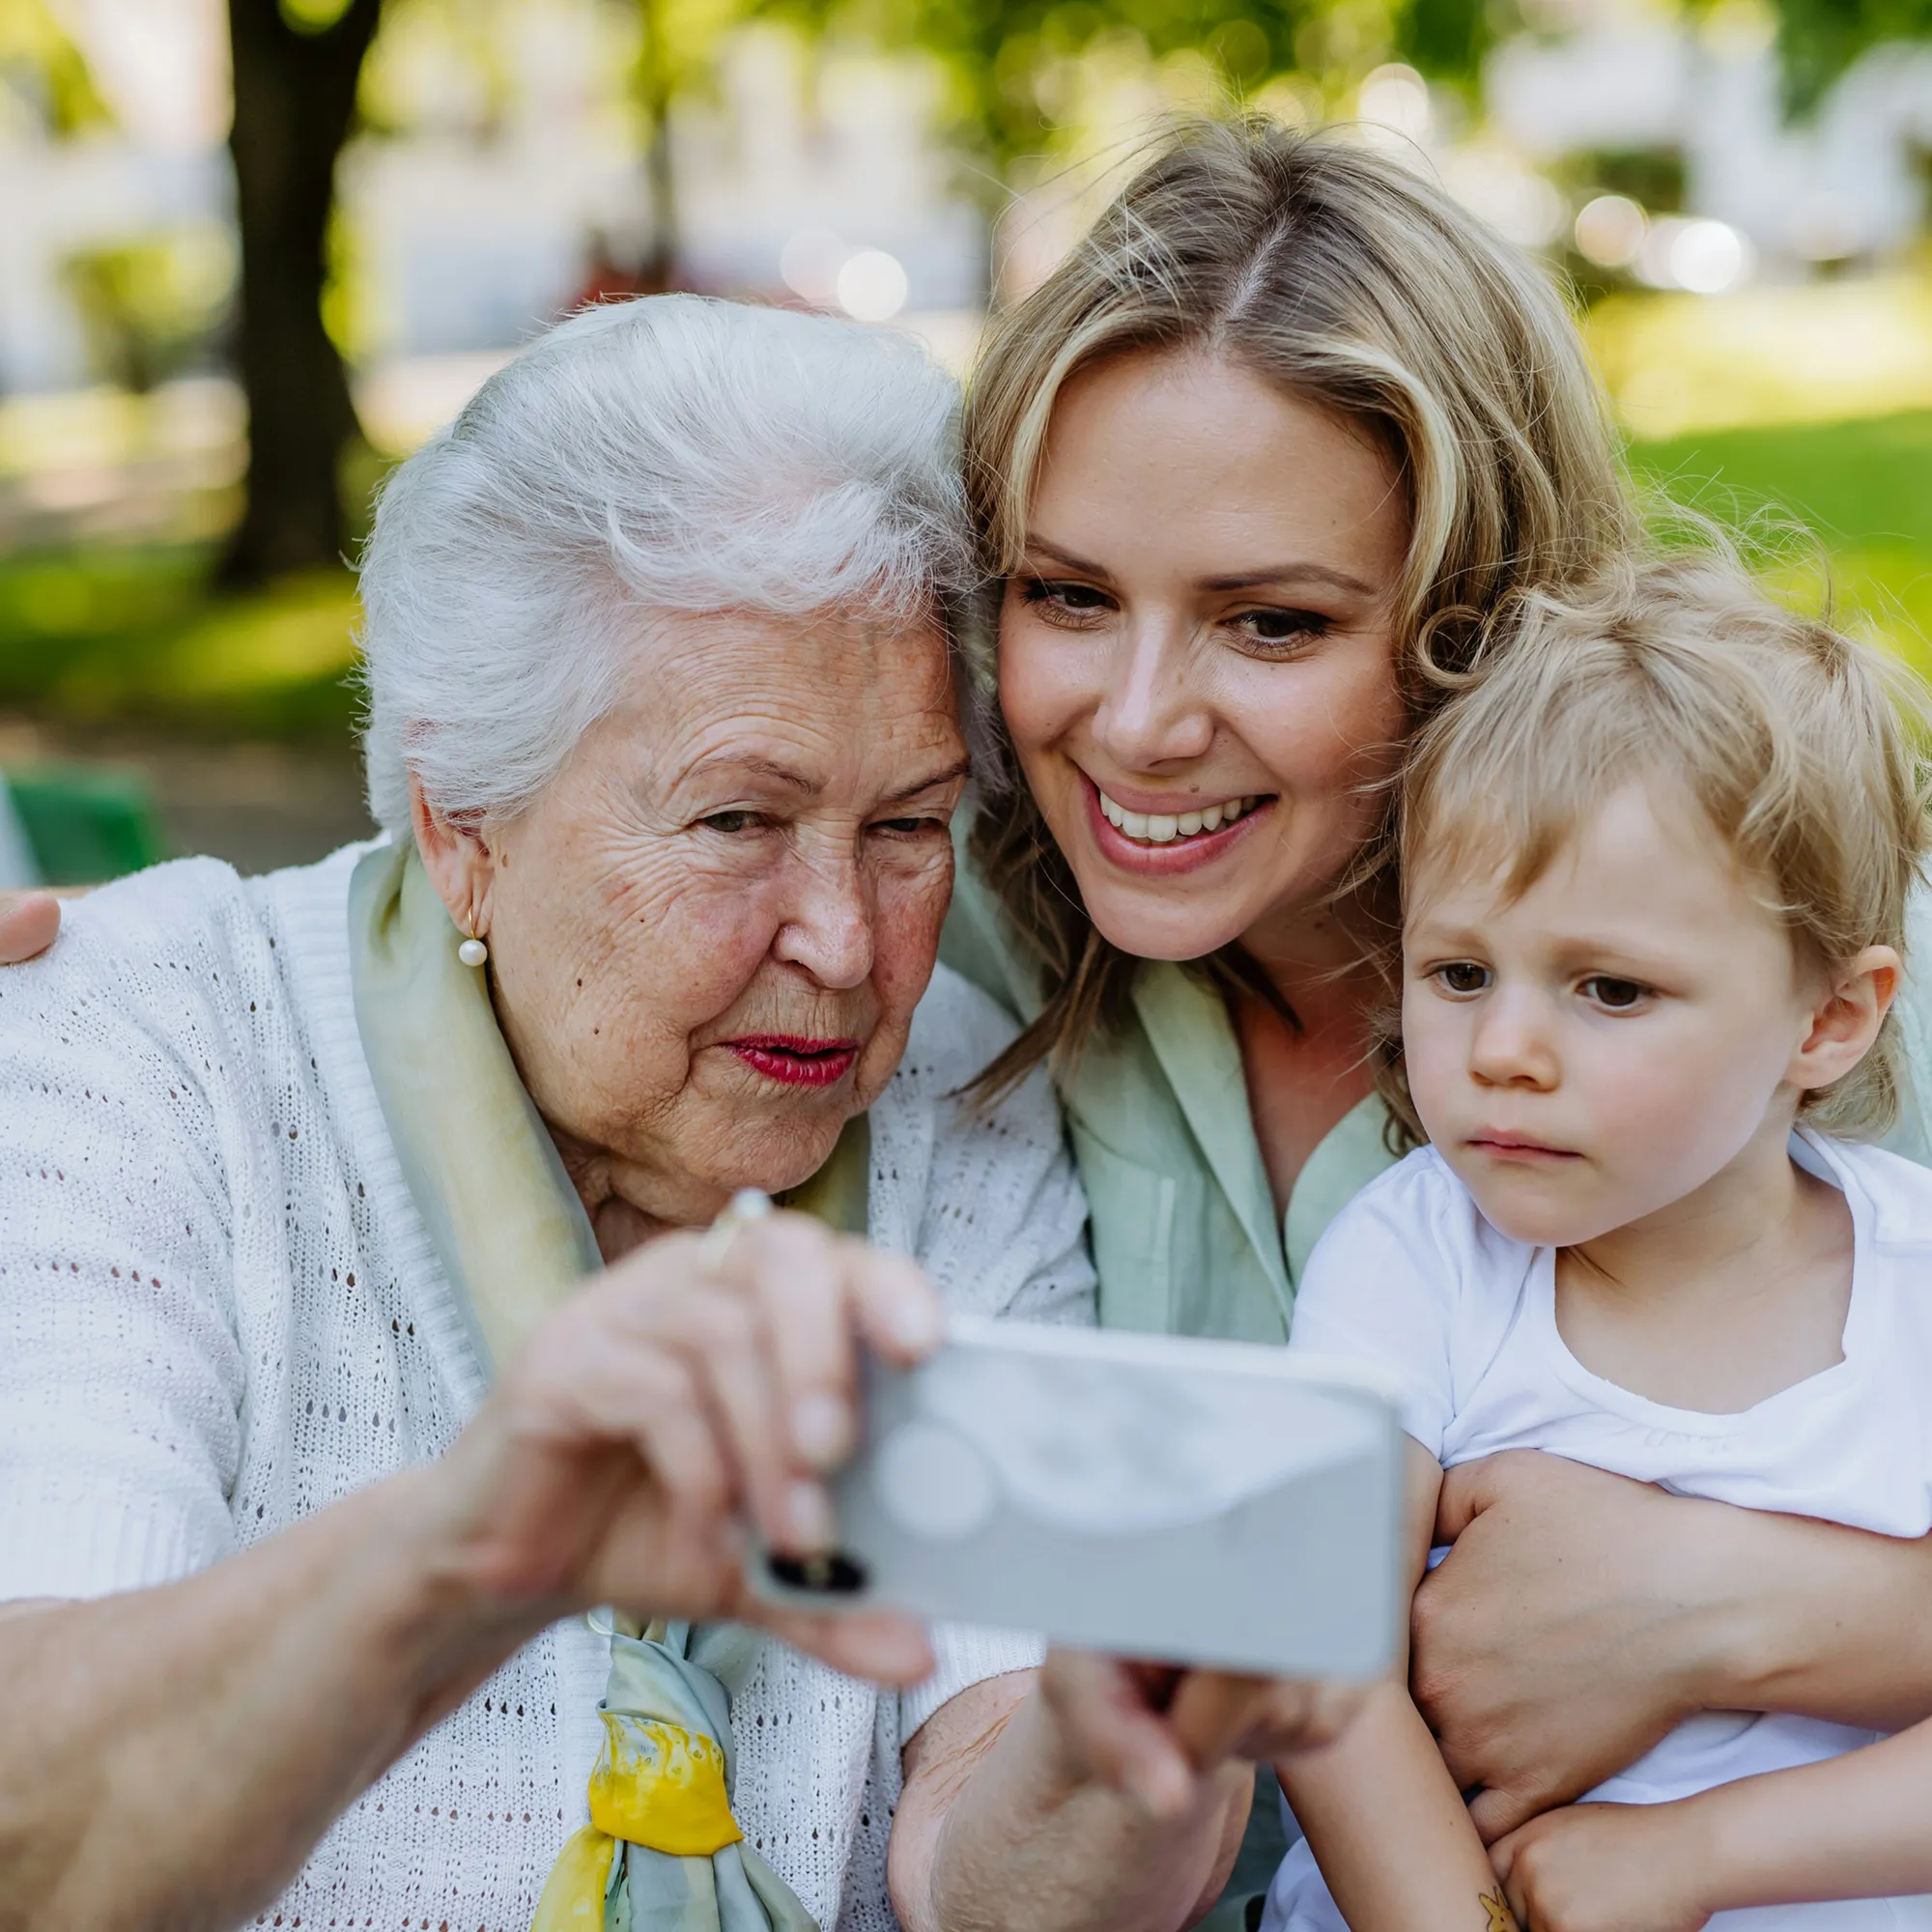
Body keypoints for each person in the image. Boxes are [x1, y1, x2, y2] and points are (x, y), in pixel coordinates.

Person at [0, 295, 1353, 1932]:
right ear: (460, 822)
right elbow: (41, 1837)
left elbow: (989, 1867)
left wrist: (1113, 1751)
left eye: (911, 825)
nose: (847, 945)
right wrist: (469, 1554)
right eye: (737, 819)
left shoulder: (948, 1102)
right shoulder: (139, 1048)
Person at [936, 116, 1932, 1919]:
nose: (1139, 720)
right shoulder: (960, 982)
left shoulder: (1831, 962)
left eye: (1271, 624)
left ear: (1474, 620)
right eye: (1068, 595)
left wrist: (1729, 1607)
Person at [1259, 552, 1932, 1932]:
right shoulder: (1417, 1266)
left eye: (1608, 989)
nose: (1501, 1051)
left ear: (1829, 1020)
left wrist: (1699, 1857)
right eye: (1459, 973)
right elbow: (1324, 1669)